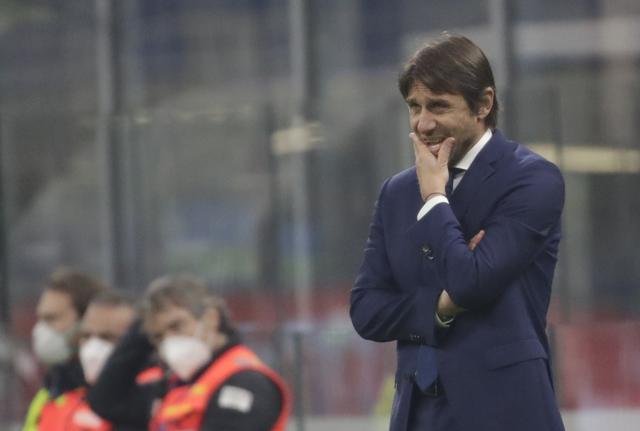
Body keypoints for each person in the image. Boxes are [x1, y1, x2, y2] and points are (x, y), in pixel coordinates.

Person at [350, 33, 566, 431]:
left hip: (505, 413)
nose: (423, 123)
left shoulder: (533, 179)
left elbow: (470, 283)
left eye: (438, 106)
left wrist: (435, 198)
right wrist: (440, 308)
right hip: (417, 414)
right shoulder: (396, 192)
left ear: (483, 104)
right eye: (414, 107)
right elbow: (366, 310)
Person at [92, 274, 290, 431]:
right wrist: (142, 325)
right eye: (159, 337)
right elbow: (106, 401)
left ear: (211, 318)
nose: (169, 341)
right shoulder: (174, 385)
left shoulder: (244, 381)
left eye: (177, 326)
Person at [22, 267, 107, 431]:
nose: (40, 329)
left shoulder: (115, 396)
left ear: (86, 319)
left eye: (51, 318)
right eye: (40, 319)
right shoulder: (47, 394)